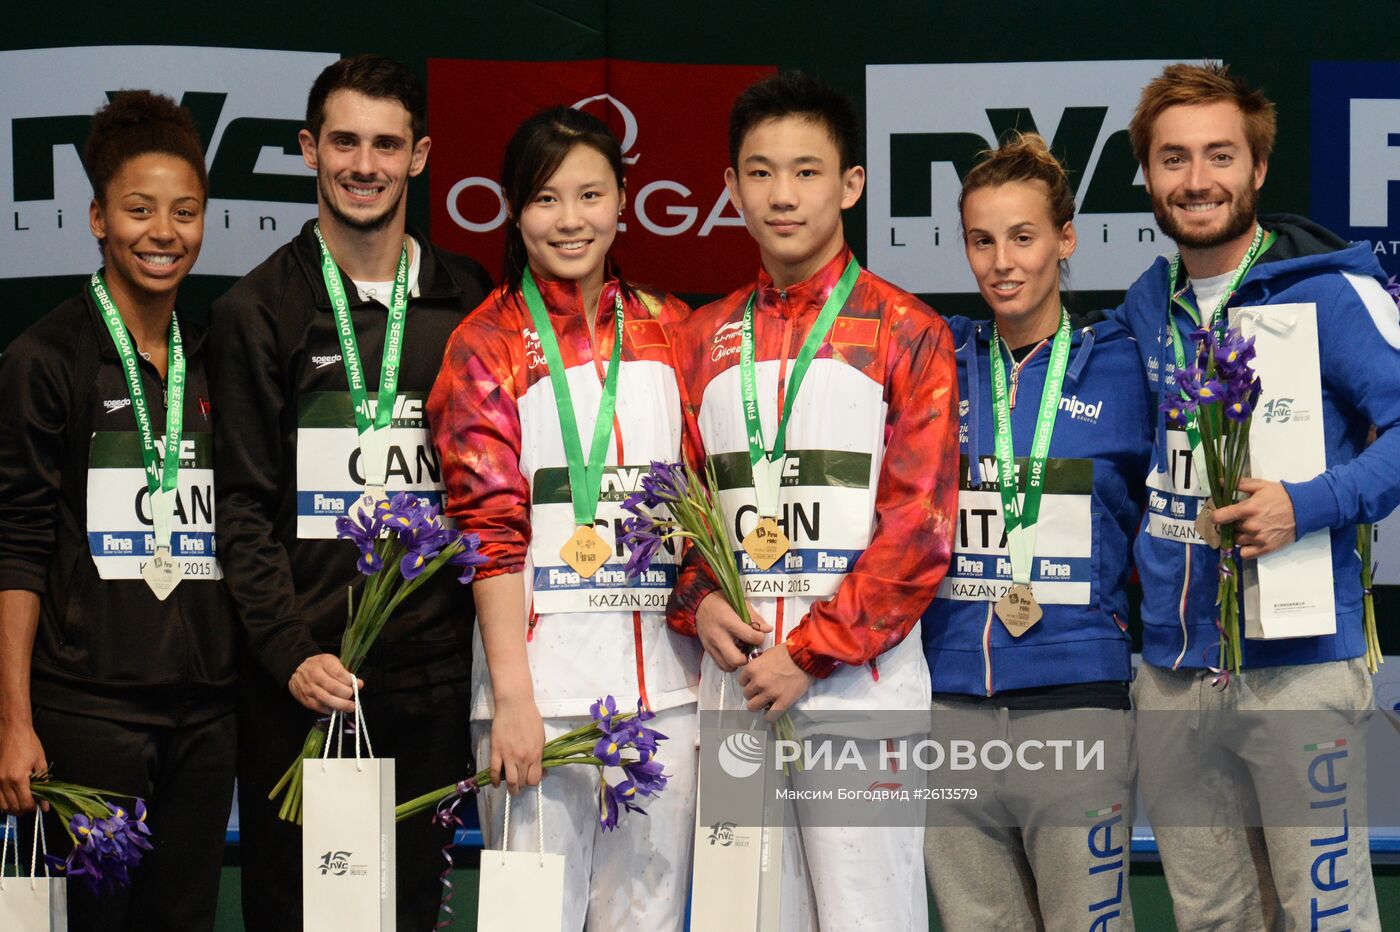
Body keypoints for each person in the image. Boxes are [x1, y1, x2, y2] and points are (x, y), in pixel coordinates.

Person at [666, 71, 959, 931]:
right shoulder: (700, 337)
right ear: (730, 188)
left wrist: (812, 653)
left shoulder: (909, 331)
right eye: (759, 173)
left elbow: (920, 528)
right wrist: (700, 600)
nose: (782, 195)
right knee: (739, 921)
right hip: (737, 693)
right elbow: (674, 506)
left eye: (805, 171)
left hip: (859, 700)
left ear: (851, 184)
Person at [207, 54, 491, 931]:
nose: (363, 164)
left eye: (385, 143)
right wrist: (293, 652)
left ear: (420, 155)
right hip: (303, 683)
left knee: (410, 914)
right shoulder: (257, 311)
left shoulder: (469, 302)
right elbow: (243, 512)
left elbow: (489, 501)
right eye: (343, 142)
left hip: (432, 681)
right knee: (299, 915)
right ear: (308, 149)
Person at [1118, 61, 1400, 930]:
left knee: (1325, 918)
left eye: (1219, 156)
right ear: (1148, 176)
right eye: (1173, 160)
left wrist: (1304, 504)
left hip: (1301, 670)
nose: (1197, 181)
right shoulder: (1143, 305)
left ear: (1258, 170)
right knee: (1213, 920)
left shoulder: (1331, 292)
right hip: (1175, 679)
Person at [426, 105, 700, 931]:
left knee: (645, 921)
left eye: (590, 195)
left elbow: (704, 511)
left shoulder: (674, 328)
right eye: (547, 199)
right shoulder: (486, 343)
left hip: (665, 700)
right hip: (535, 701)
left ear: (624, 201)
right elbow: (489, 530)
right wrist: (512, 696)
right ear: (514, 209)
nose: (571, 219)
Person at [0, 91, 237, 930]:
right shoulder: (44, 360)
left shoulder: (218, 361)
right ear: (99, 218)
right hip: (87, 713)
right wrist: (15, 722)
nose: (163, 232)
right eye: (139, 210)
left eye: (185, 212)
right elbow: (19, 545)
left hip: (207, 717)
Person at [919, 132, 1149, 931]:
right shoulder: (935, 356)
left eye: (1023, 237)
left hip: (1076, 703)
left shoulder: (1125, 360)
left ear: (1066, 239)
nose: (1001, 262)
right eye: (982, 240)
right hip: (949, 701)